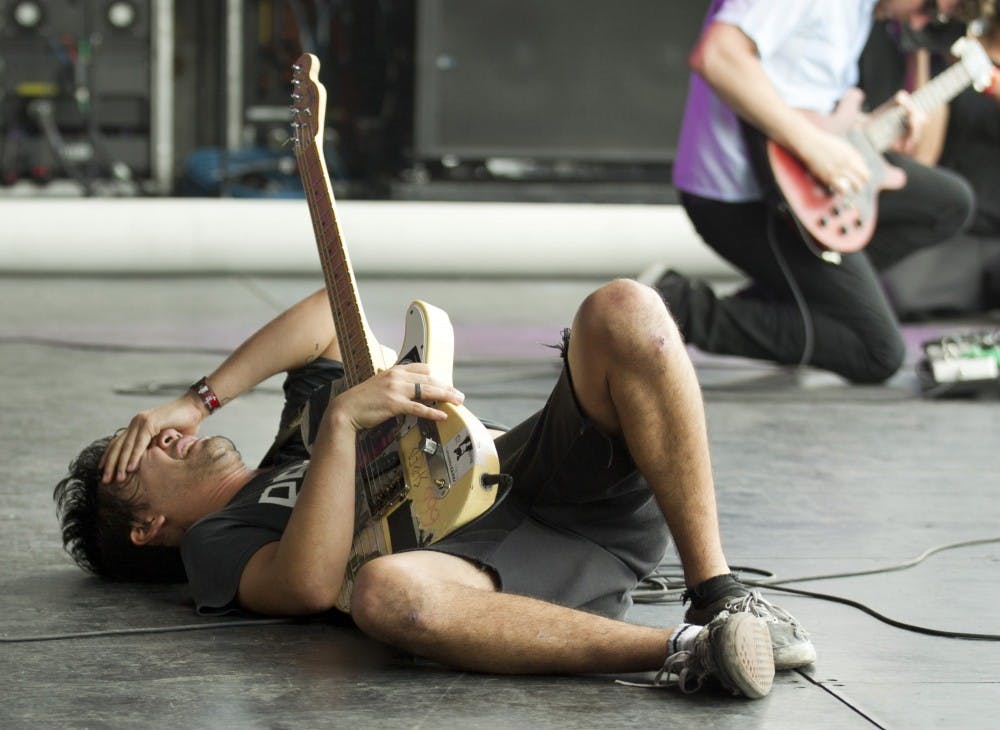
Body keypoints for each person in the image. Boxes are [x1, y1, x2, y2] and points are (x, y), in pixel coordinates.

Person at [53, 279, 817, 700]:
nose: (167, 436)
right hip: (484, 572)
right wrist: (348, 425)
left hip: (533, 475)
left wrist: (196, 399)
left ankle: (718, 592)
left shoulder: (291, 444)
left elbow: (324, 314)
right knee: (388, 595)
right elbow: (310, 584)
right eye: (145, 453)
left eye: (156, 429)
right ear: (146, 524)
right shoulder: (216, 546)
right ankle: (694, 651)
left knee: (622, 309)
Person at [645, 0, 977, 384]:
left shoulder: (858, 11)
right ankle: (675, 306)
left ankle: (794, 305)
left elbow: (806, 104)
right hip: (746, 197)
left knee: (947, 203)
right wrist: (815, 148)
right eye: (928, 6)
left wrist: (871, 127)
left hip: (795, 176)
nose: (920, 21)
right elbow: (718, 55)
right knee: (877, 352)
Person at [876, 1, 1000, 317]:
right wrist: (922, 53)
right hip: (954, 236)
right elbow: (922, 158)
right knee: (891, 295)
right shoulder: (955, 55)